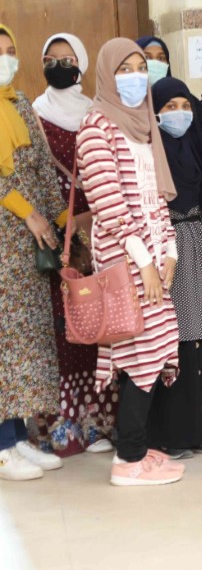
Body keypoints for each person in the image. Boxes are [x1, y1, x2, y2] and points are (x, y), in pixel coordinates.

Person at [76, 38, 185, 486]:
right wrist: (143, 262)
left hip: (154, 257)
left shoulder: (142, 124)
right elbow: (108, 204)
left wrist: (171, 251)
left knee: (154, 348)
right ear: (107, 74)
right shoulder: (96, 126)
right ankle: (129, 459)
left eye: (141, 67)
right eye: (125, 68)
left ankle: (135, 447)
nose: (137, 76)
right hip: (126, 263)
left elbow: (156, 197)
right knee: (142, 353)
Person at [31, 32, 117, 454]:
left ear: (81, 64)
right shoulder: (34, 114)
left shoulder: (96, 113)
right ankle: (60, 424)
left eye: (68, 59)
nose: (59, 66)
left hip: (96, 230)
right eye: (51, 59)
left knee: (97, 320)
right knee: (61, 327)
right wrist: (58, 224)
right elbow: (31, 174)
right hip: (56, 234)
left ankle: (98, 420)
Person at [147, 78, 202, 458]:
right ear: (154, 112)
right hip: (167, 249)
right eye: (169, 107)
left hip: (197, 242)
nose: (179, 113)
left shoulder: (194, 145)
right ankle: (171, 432)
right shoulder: (149, 154)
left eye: (185, 105)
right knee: (173, 338)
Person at [0, 23, 65, 482]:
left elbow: (41, 165)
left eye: (9, 50)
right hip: (8, 236)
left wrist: (61, 220)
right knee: (4, 345)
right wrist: (29, 214)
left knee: (25, 345)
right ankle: (2, 446)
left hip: (30, 244)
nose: (5, 58)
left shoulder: (20, 104)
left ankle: (18, 435)